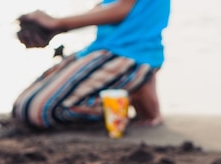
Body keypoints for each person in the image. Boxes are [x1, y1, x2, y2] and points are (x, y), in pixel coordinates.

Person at [13, 0, 170, 130]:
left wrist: (57, 23)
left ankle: (131, 95)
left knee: (39, 111)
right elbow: (105, 7)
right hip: (101, 49)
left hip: (128, 53)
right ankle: (129, 92)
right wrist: (51, 29)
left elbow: (123, 8)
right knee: (21, 107)